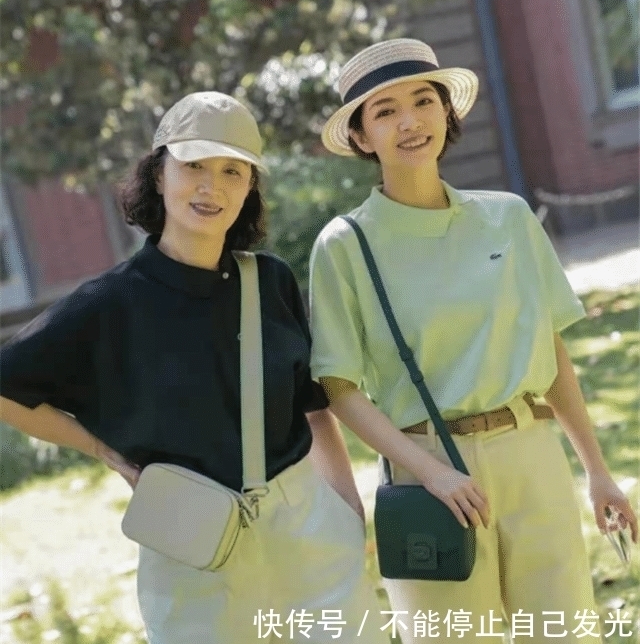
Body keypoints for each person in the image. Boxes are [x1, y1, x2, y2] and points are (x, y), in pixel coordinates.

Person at [0, 91, 390, 644]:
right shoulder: (110, 304)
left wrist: (345, 508)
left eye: (233, 171)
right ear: (159, 175)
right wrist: (104, 451)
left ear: (249, 187)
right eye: (195, 166)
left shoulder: (270, 281)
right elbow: (7, 387)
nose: (212, 187)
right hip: (190, 543)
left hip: (306, 525)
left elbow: (312, 405)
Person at [308, 38, 638, 643]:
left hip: (531, 454)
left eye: (423, 100)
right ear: (360, 137)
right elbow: (340, 389)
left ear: (446, 112)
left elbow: (551, 357)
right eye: (384, 111)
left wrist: (596, 470)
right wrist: (430, 474)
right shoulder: (345, 244)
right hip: (426, 475)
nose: (410, 121)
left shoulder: (506, 217)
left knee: (565, 633)